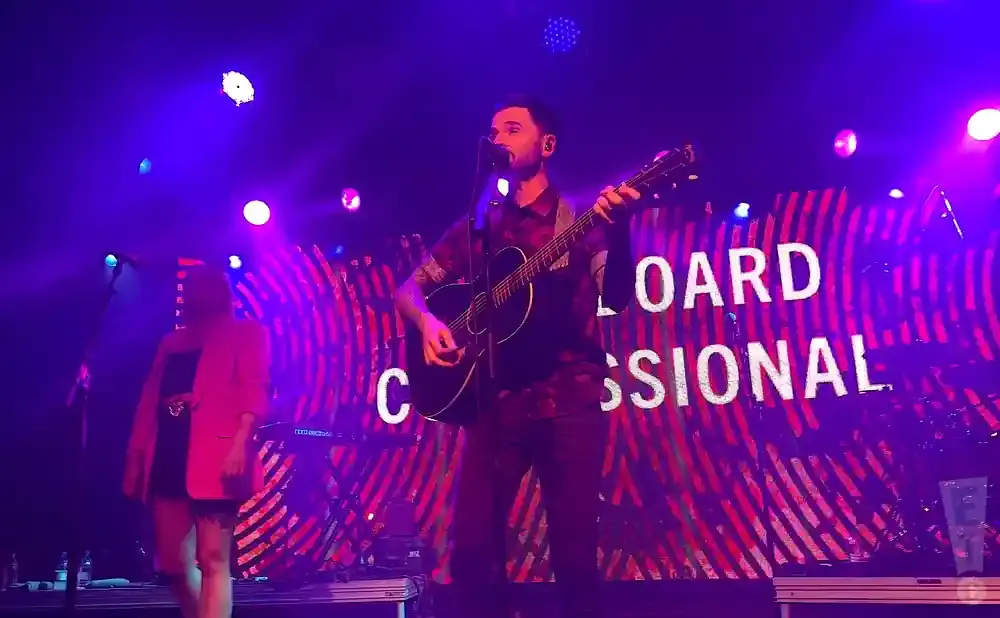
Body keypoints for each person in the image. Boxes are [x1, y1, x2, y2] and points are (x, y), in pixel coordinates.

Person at [393, 95, 639, 618]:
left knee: (574, 558)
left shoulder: (581, 216)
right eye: (494, 131)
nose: (497, 139)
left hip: (567, 399)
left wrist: (621, 230)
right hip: (495, 402)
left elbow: (616, 295)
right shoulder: (479, 227)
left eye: (511, 129)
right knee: (470, 552)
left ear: (546, 145)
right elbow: (407, 292)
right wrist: (430, 323)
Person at [123, 266, 270, 618]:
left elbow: (254, 391)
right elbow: (148, 401)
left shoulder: (246, 333)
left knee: (213, 557)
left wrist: (240, 445)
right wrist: (137, 456)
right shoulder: (172, 343)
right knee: (172, 564)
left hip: (217, 454)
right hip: (170, 451)